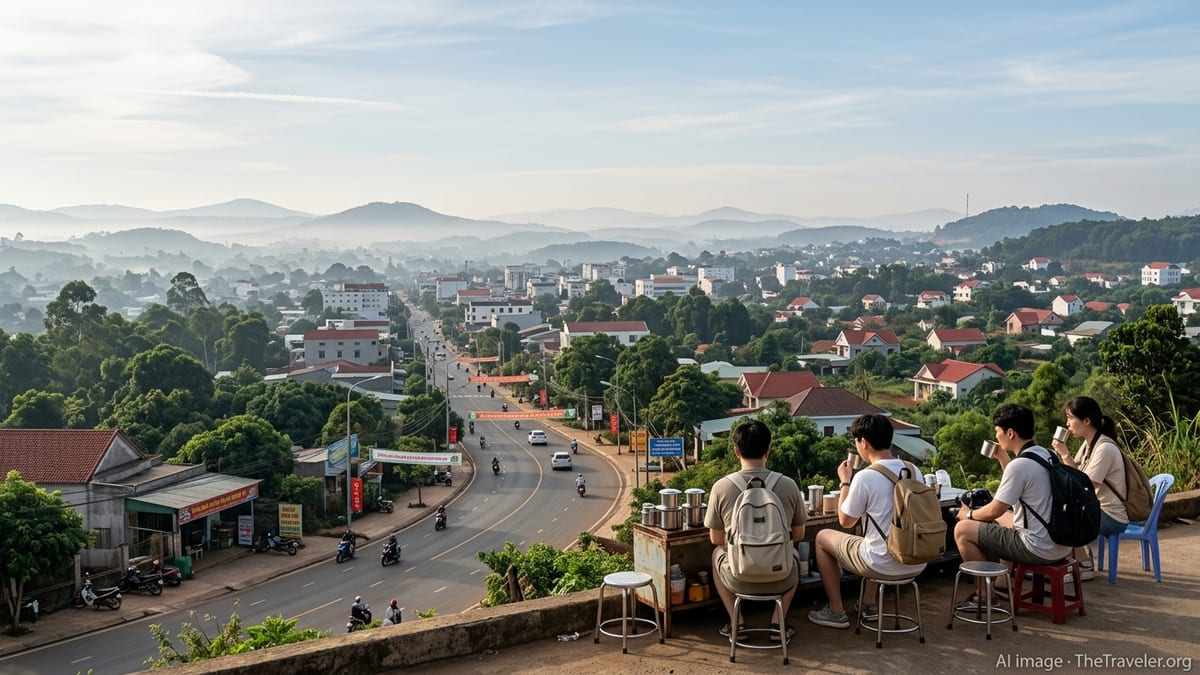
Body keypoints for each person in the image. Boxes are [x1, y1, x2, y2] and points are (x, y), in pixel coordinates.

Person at [807, 414, 928, 629]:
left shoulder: (865, 477)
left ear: (864, 442)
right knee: (875, 536)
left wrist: (845, 481)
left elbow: (845, 521)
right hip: (916, 559)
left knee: (822, 538)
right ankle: (868, 604)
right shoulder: (912, 470)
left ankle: (836, 610)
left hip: (881, 563)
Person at [953, 403, 1072, 609]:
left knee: (962, 530)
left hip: (1035, 547)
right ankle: (1000, 583)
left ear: (1010, 433)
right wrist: (1001, 456)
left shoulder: (1019, 466)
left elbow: (995, 509)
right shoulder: (1045, 454)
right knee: (1005, 518)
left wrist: (969, 515)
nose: (996, 436)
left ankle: (984, 594)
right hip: (1060, 543)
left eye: (997, 432)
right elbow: (1019, 485)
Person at [704, 420, 805, 642]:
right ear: (768, 449)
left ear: (735, 451)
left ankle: (736, 623)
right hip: (782, 578)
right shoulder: (788, 485)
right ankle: (777, 624)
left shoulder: (721, 487)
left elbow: (716, 539)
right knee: (795, 556)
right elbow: (798, 535)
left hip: (737, 578)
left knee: (716, 556)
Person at [1052, 396, 1129, 581]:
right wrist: (1061, 456)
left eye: (1070, 418)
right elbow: (1075, 472)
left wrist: (1064, 454)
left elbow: (1084, 487)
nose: (1067, 423)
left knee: (1066, 517)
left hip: (1111, 515)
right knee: (1058, 510)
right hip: (1096, 509)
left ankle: (1084, 565)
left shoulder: (1104, 449)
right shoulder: (1089, 444)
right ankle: (1063, 562)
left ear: (1086, 421)